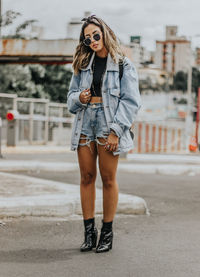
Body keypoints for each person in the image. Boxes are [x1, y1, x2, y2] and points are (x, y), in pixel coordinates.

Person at [67, 15, 141, 253]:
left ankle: (107, 232)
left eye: (96, 35)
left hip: (109, 123)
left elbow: (131, 102)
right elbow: (70, 99)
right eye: (87, 39)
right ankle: (89, 233)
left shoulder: (122, 64)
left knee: (108, 179)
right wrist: (79, 98)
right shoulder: (82, 63)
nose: (92, 41)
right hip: (85, 121)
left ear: (105, 33)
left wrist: (116, 131)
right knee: (86, 177)